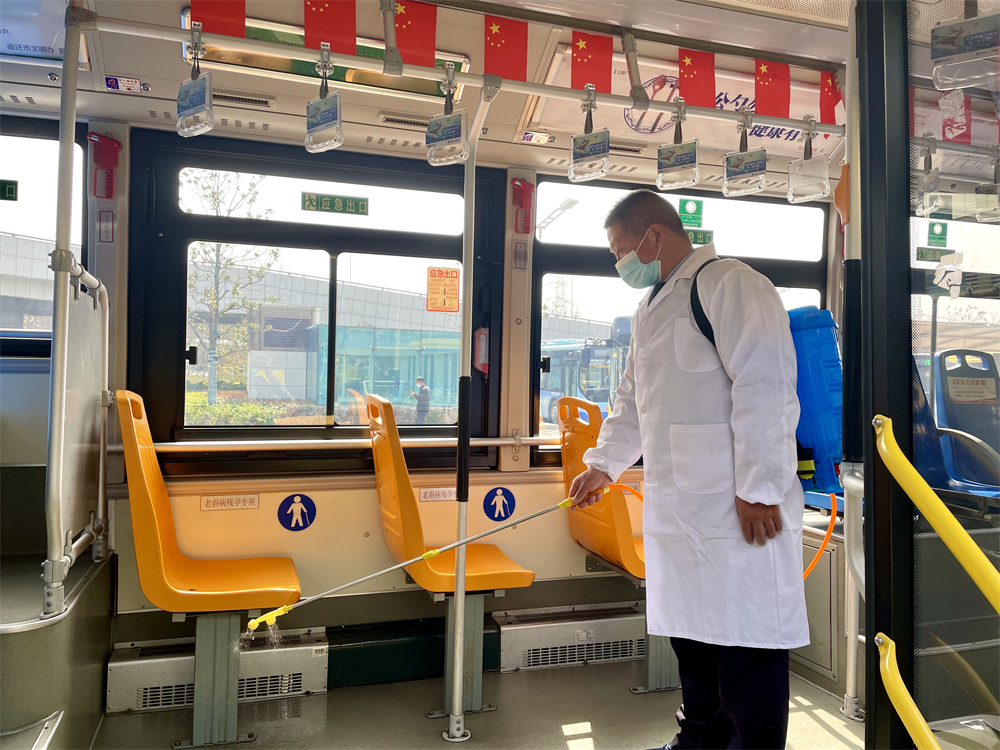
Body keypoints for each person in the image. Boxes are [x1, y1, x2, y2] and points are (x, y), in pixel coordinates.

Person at [569, 191, 808, 750]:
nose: (619, 263)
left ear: (654, 235)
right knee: (694, 644)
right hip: (681, 514)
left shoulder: (731, 285)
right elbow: (633, 401)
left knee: (745, 649)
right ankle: (698, 741)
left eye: (621, 251)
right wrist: (603, 465)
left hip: (738, 510)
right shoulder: (650, 307)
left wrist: (759, 489)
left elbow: (766, 387)